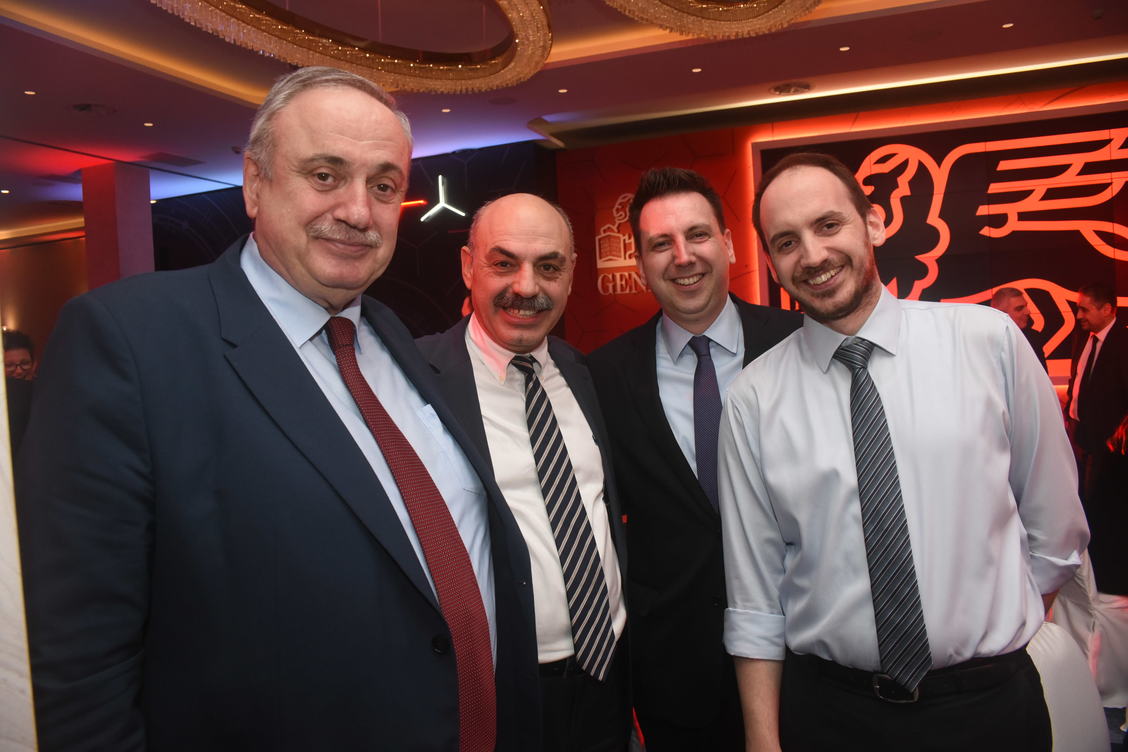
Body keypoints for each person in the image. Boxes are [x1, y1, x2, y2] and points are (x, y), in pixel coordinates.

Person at [16, 67, 539, 751]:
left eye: (384, 186)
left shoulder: (394, 336)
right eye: (325, 175)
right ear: (254, 183)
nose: (358, 211)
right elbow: (80, 662)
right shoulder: (131, 342)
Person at [719, 152, 1088, 752]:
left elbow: (1056, 531)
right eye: (786, 242)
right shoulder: (753, 400)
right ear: (770, 261)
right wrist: (764, 742)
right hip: (833, 717)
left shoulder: (988, 343)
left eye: (828, 225)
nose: (812, 255)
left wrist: (988, 634)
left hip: (989, 708)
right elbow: (755, 600)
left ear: (874, 222)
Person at [587, 167, 800, 750]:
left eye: (698, 235)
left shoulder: (799, 342)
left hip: (810, 661)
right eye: (661, 243)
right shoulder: (603, 376)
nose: (683, 257)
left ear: (728, 243)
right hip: (676, 676)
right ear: (640, 262)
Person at [416, 193, 631, 752]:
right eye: (504, 263)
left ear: (572, 274)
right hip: (499, 690)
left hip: (608, 676)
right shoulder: (416, 381)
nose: (527, 286)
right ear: (469, 266)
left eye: (549, 267)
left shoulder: (580, 371)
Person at [1064, 282, 1127, 595]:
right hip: (1081, 438)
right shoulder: (1084, 337)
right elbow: (1078, 381)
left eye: (1084, 309)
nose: (1079, 316)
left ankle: (1107, 578)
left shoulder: (1123, 342)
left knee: (1105, 510)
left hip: (1109, 446)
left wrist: (1115, 435)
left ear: (1107, 309)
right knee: (1086, 505)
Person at [989, 286, 1048, 371]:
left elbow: (1041, 375)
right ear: (1000, 313)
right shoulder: (985, 340)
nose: (1028, 311)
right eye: (1019, 308)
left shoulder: (1033, 338)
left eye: (1026, 306)